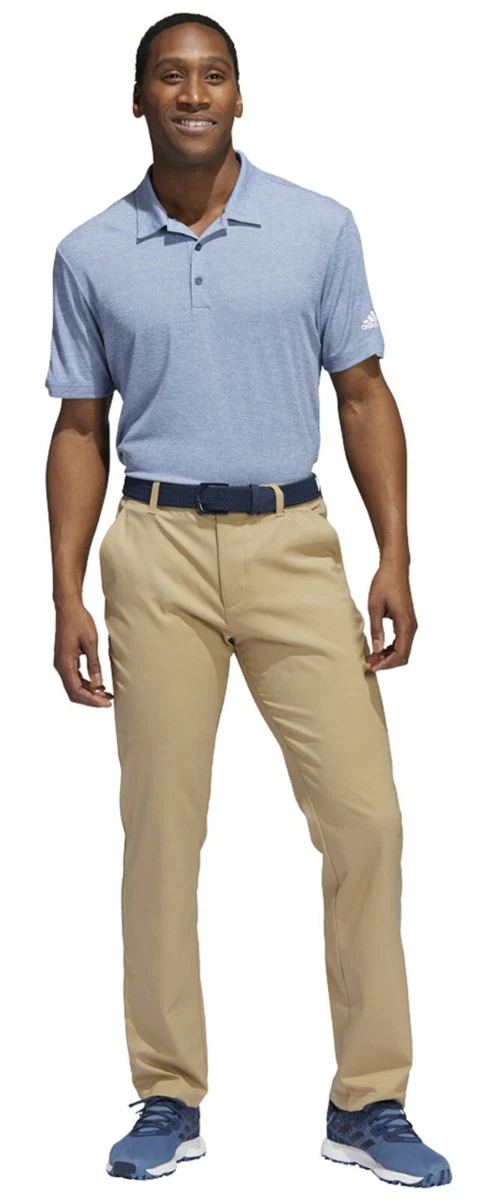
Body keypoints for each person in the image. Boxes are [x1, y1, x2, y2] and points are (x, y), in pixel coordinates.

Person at [44, 11, 452, 1189]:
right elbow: (80, 426)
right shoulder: (88, 251)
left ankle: (368, 1101)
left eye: (212, 75)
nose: (192, 93)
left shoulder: (318, 227)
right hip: (154, 547)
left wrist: (395, 556)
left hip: (292, 541)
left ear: (239, 95)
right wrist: (64, 591)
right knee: (162, 831)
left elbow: (364, 394)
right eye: (170, 77)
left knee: (366, 820)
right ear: (137, 99)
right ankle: (167, 1092)